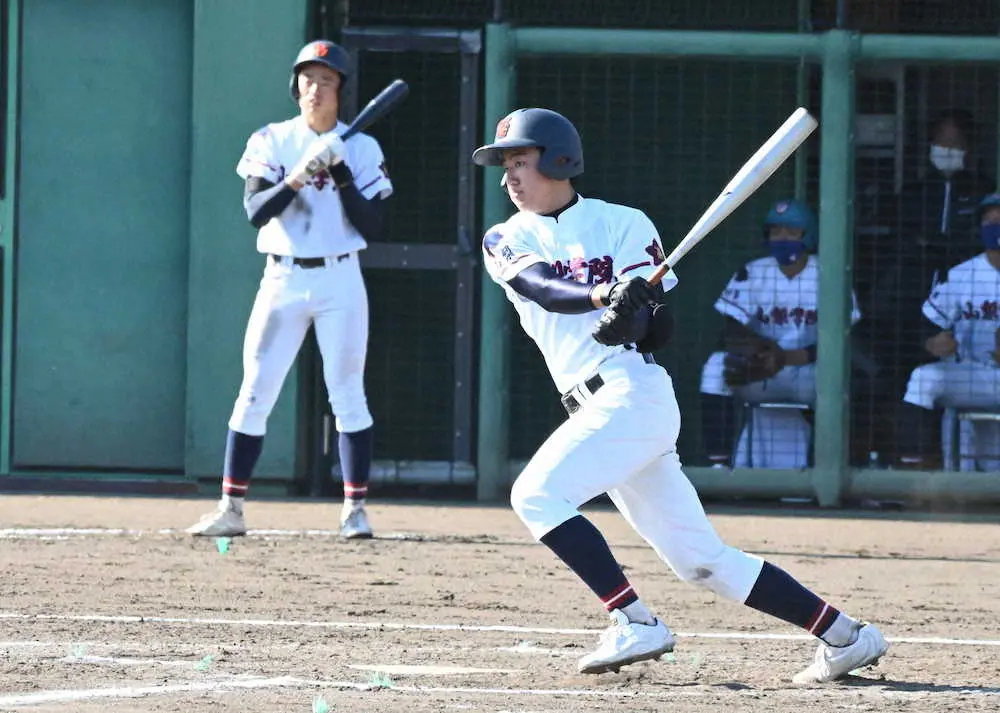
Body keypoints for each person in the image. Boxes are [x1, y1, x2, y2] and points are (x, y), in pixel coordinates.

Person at [472, 107, 887, 680]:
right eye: (505, 166)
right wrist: (604, 297)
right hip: (595, 406)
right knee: (703, 562)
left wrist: (635, 315)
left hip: (630, 394)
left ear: (559, 159)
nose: (507, 177)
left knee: (535, 495)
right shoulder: (506, 236)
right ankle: (846, 636)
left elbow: (660, 329)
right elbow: (541, 286)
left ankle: (634, 621)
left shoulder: (624, 223)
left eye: (519, 161)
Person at [186, 40, 392, 539]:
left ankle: (354, 513)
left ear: (342, 89)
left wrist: (340, 171)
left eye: (326, 80)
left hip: (340, 275)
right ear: (295, 85)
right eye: (308, 78)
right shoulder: (272, 139)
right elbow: (256, 211)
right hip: (282, 275)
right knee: (255, 391)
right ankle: (231, 510)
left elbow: (373, 224)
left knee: (347, 393)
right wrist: (298, 178)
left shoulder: (361, 147)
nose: (315, 89)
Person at [861, 109, 993, 464]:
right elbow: (894, 244)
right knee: (907, 376)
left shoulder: (982, 192)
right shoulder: (915, 192)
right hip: (914, 302)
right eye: (941, 142)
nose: (947, 149)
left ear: (969, 147)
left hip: (965, 304)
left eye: (955, 143)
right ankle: (901, 463)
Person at [699, 199, 861, 469]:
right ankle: (719, 466)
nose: (782, 239)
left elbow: (847, 336)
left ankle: (830, 467)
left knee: (841, 373)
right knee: (715, 367)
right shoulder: (753, 271)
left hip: (812, 372)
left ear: (807, 235)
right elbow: (732, 327)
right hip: (763, 369)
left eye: (790, 232)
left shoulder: (830, 274)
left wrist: (791, 357)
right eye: (776, 232)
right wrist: (760, 352)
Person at [895, 192, 1000, 470]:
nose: (997, 226)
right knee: (922, 379)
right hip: (972, 376)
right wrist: (932, 343)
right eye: (991, 221)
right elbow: (924, 325)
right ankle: (911, 473)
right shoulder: (962, 274)